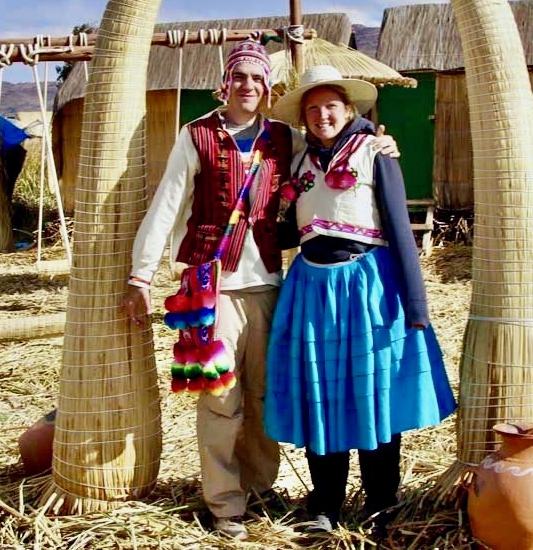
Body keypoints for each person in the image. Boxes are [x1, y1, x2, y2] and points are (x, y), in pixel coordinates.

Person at [122, 41, 398, 541]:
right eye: (239, 77)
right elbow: (166, 204)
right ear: (224, 84)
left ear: (267, 89)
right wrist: (141, 276)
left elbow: (332, 142)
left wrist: (379, 142)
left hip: (272, 284)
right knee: (221, 398)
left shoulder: (283, 138)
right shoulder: (197, 135)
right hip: (214, 287)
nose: (248, 86)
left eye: (257, 79)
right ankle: (226, 503)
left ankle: (260, 488)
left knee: (266, 394)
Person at [263, 65, 457, 538]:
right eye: (312, 109)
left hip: (368, 286)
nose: (321, 115)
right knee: (321, 395)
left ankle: (381, 505)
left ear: (349, 109)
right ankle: (325, 503)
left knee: (375, 396)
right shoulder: (301, 163)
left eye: (331, 106)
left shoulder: (375, 151)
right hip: (312, 287)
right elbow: (293, 226)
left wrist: (415, 304)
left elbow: (397, 225)